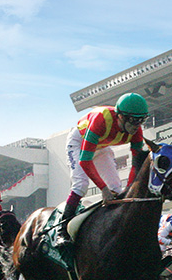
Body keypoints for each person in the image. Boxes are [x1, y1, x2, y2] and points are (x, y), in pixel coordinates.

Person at [55, 93, 150, 247]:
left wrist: (129, 189)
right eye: (133, 120)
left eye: (141, 120)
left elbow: (135, 165)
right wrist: (103, 189)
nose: (136, 126)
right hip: (79, 143)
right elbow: (85, 160)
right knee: (81, 186)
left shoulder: (137, 132)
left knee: (117, 189)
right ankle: (62, 230)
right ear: (121, 117)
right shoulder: (101, 120)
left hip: (101, 147)